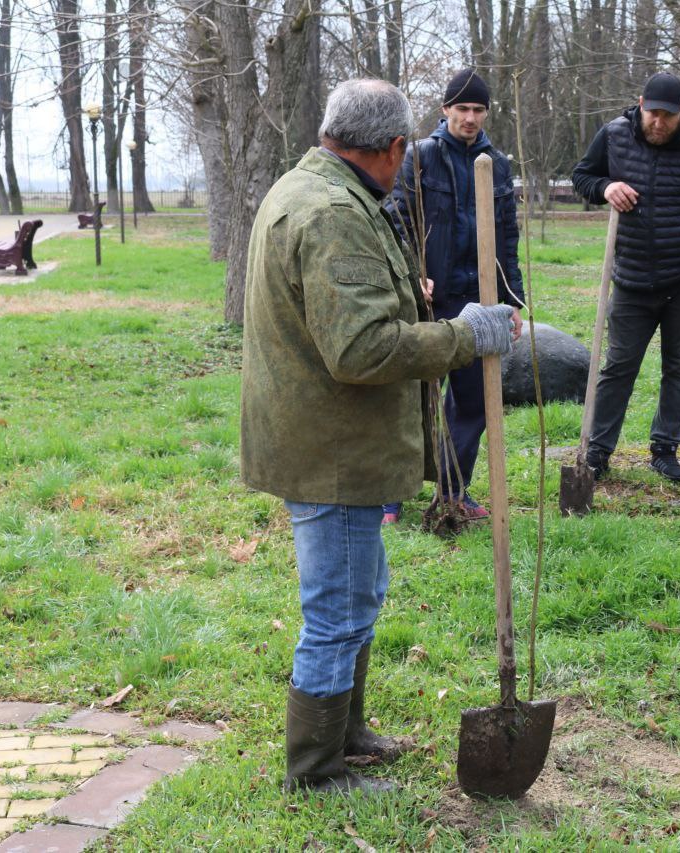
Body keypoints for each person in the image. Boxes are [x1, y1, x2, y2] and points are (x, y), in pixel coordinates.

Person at [240, 78, 519, 793]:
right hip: (333, 450)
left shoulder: (313, 187)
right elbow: (361, 349)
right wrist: (463, 335)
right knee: (337, 611)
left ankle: (347, 732)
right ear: (394, 147)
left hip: (325, 437)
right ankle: (316, 769)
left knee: (358, 595)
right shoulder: (334, 213)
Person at [571, 71, 680, 483]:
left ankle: (665, 449)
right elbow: (582, 176)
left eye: (668, 115)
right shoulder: (614, 135)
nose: (659, 123)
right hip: (631, 276)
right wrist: (606, 187)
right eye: (653, 114)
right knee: (618, 367)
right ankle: (597, 451)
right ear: (641, 105)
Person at [382, 68, 524, 525]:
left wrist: (513, 301)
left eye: (478, 110)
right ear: (445, 110)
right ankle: (390, 497)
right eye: (462, 108)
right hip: (430, 299)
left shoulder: (496, 163)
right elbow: (396, 220)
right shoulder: (420, 156)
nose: (470, 118)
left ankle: (452, 490)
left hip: (478, 301)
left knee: (474, 403)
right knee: (414, 401)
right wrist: (413, 275)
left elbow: (507, 237)